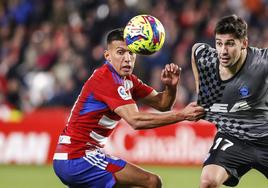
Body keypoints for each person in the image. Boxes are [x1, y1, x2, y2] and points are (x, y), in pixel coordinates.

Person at [53, 27, 204, 188]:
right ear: (107, 56)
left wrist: (171, 87)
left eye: (131, 53)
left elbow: (163, 104)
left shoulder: (128, 80)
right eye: (120, 52)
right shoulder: (106, 79)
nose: (127, 58)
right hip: (78, 157)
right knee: (152, 182)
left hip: (77, 157)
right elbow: (135, 120)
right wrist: (182, 115)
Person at [191, 14, 268, 188]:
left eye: (230, 44)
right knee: (208, 181)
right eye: (219, 43)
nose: (223, 51)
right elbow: (196, 49)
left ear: (244, 44)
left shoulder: (262, 62)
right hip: (233, 137)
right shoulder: (206, 59)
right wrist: (201, 97)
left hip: (265, 138)